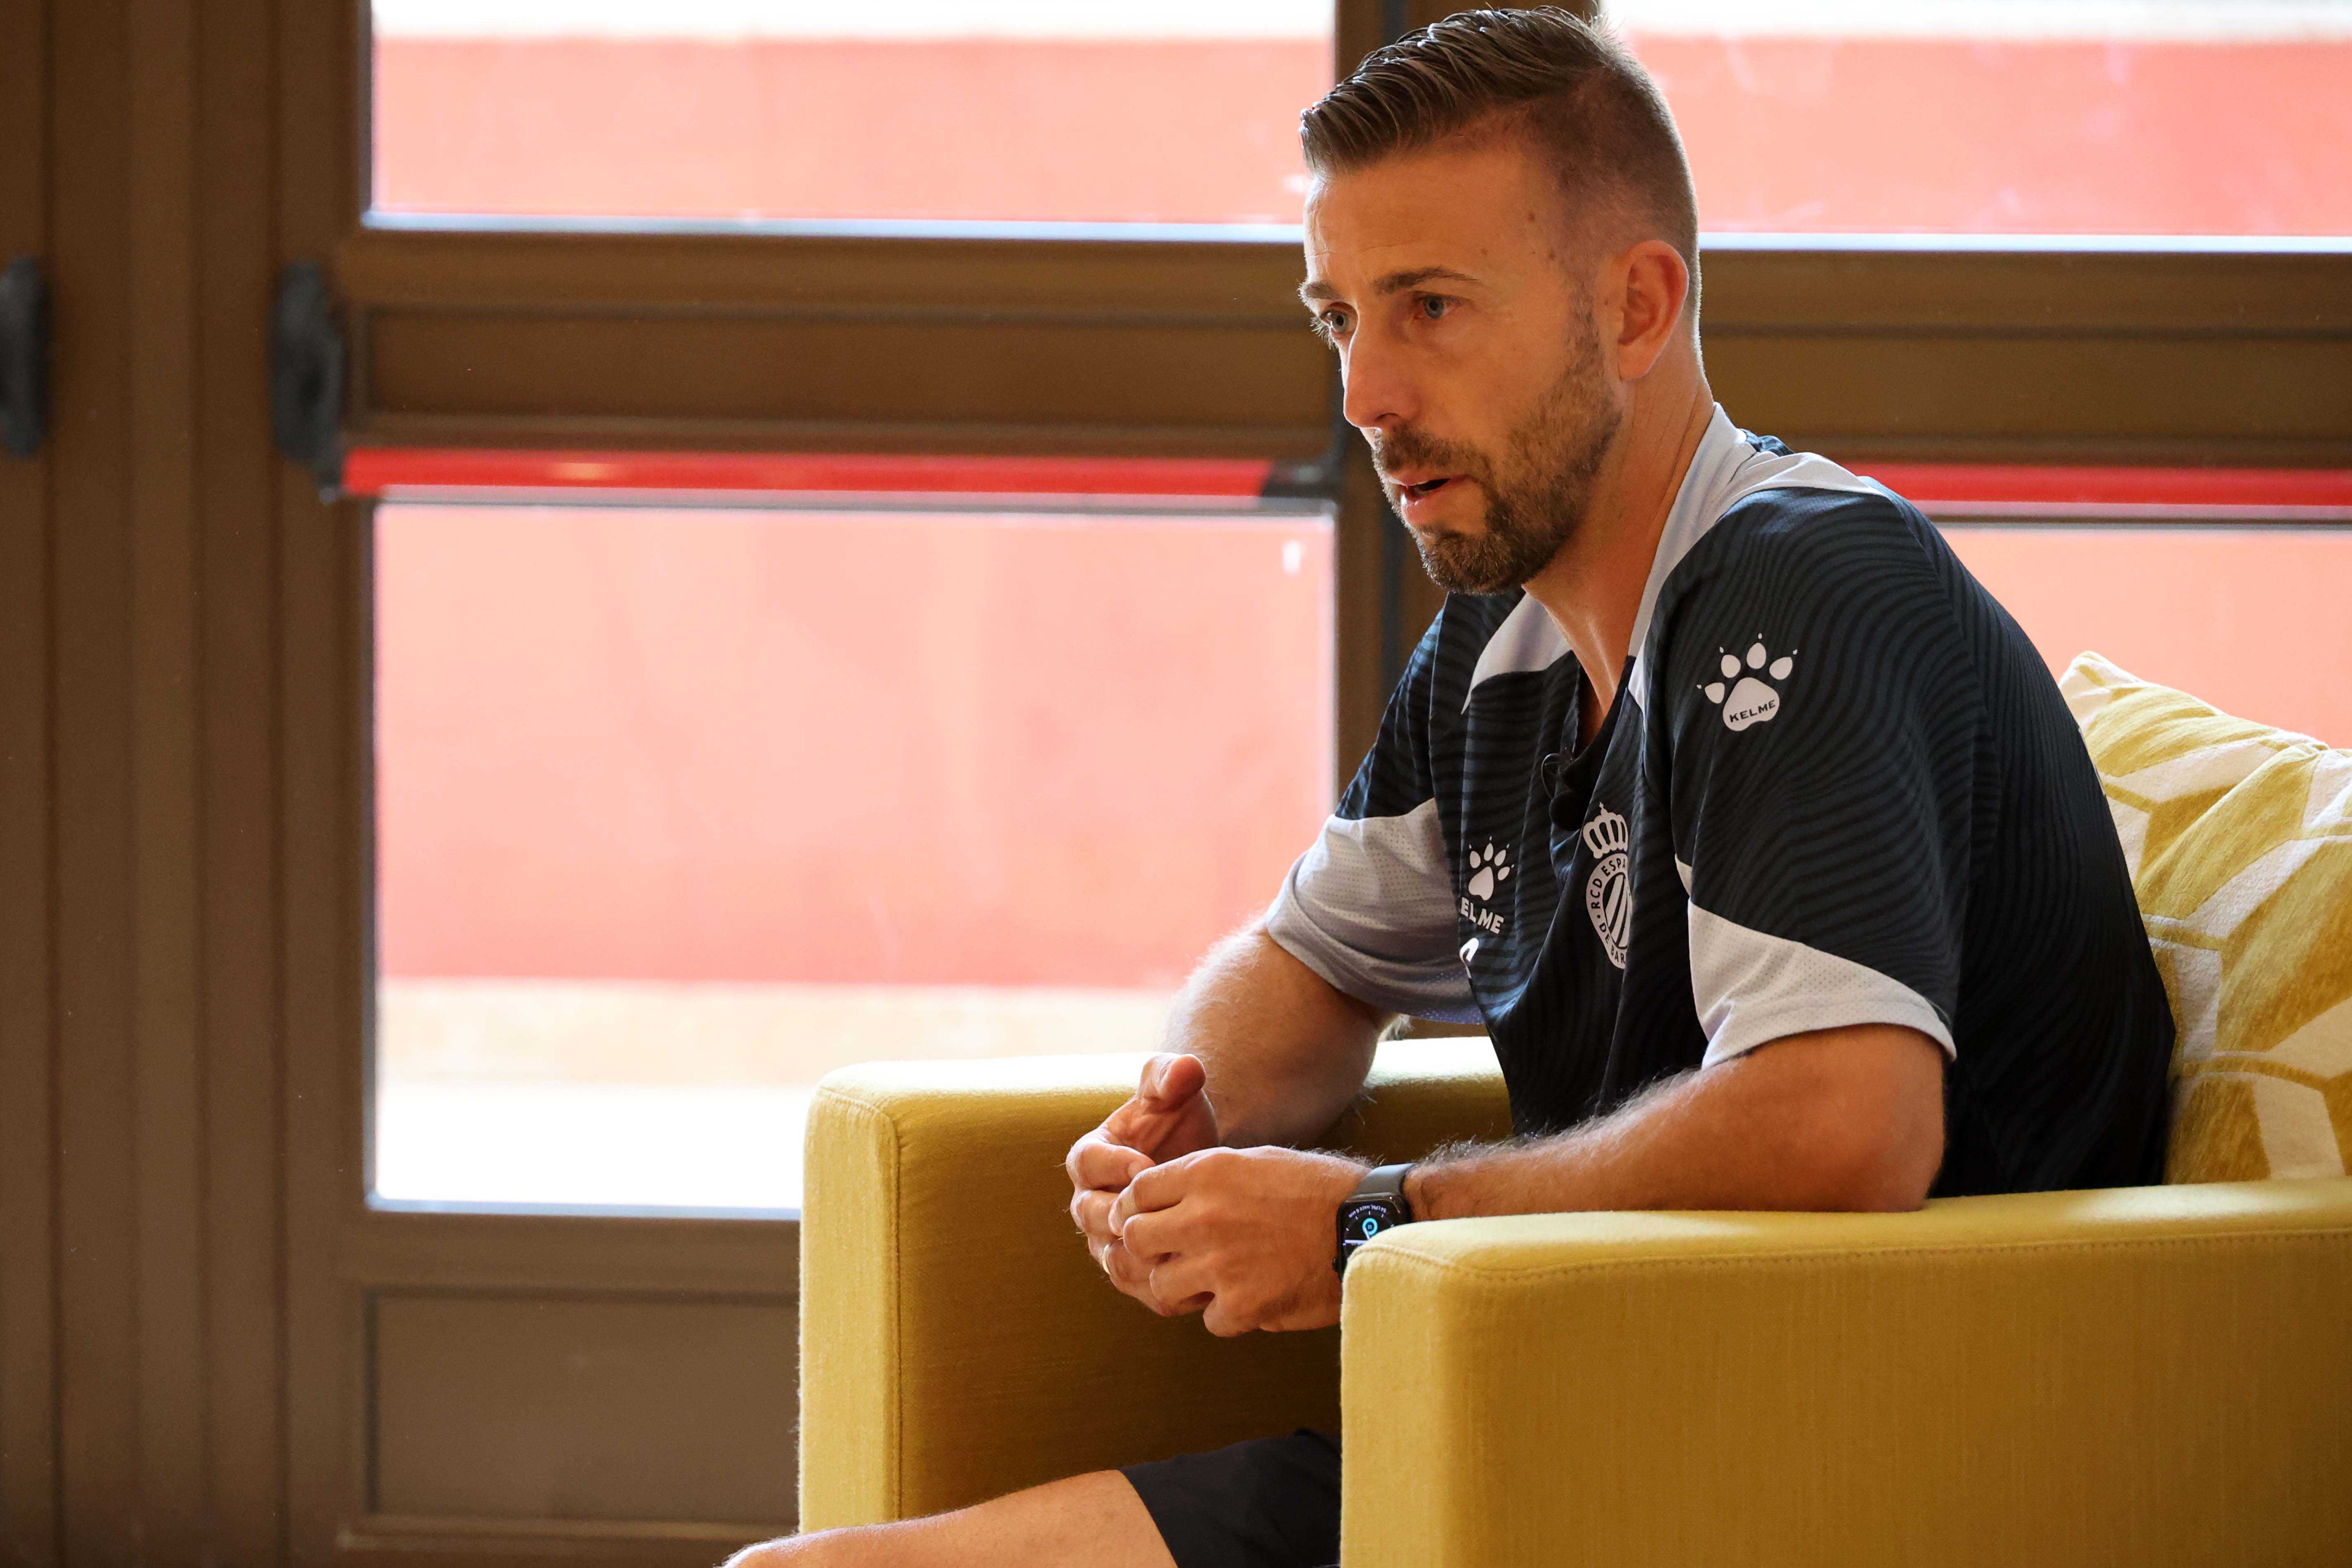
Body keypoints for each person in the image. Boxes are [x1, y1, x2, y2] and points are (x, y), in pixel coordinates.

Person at [735, 9, 2172, 1567]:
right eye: (1338, 318)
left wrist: (1370, 1219)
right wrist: (1185, 1117)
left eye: (1428, 307)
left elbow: (1845, 1127)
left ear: (1635, 308)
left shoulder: (1804, 592)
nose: (1365, 392)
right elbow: (1309, 965)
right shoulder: (1506, 637)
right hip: (1563, 1429)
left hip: (1832, 1466)